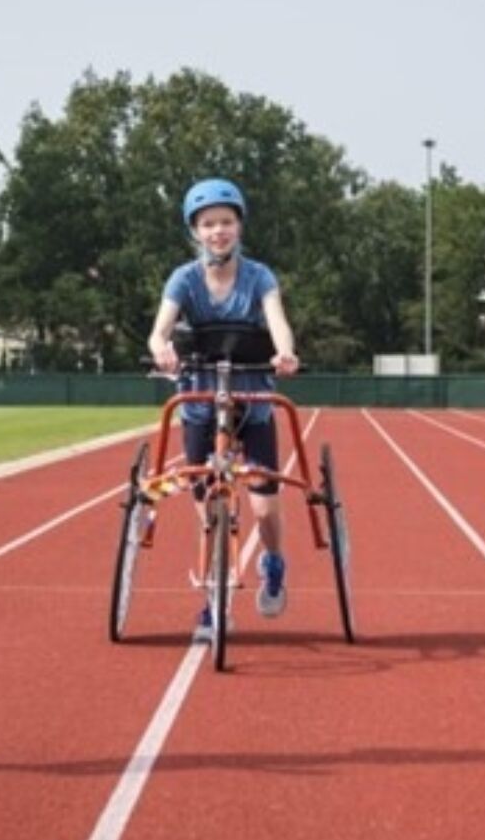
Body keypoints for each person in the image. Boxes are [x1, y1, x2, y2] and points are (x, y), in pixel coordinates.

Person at [147, 178, 300, 639]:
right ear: (195, 231)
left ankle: (273, 563)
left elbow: (278, 322)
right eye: (209, 224)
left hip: (252, 396)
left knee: (263, 507)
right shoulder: (184, 278)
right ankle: (213, 603)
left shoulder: (259, 276)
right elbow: (159, 331)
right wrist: (161, 349)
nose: (218, 231)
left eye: (226, 222)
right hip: (199, 397)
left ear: (239, 226)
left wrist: (285, 353)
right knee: (207, 504)